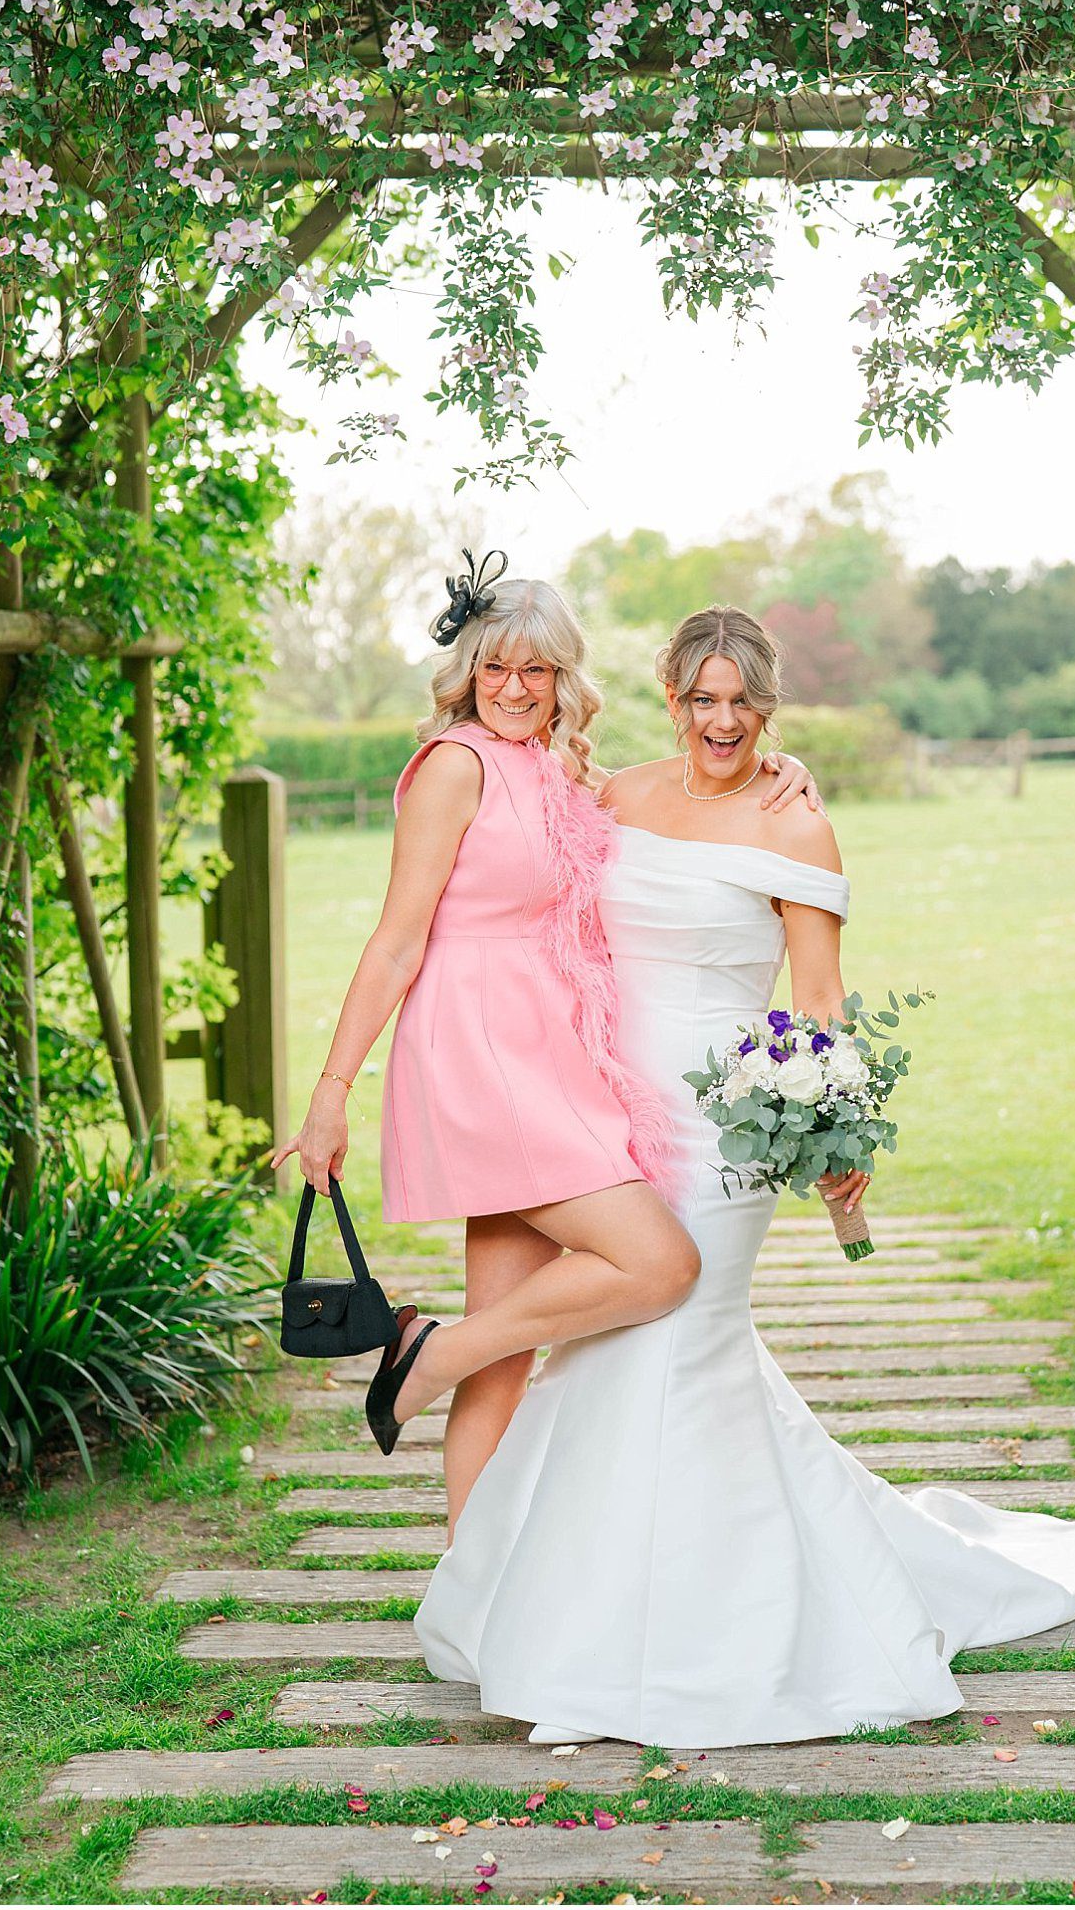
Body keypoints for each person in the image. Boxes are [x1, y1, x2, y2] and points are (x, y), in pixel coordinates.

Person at [413, 604, 1075, 1749]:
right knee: (605, 1353)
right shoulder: (611, 794)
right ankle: (567, 1612)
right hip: (602, 1111)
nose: (723, 719)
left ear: (769, 706)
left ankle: (689, 1637)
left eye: (743, 700)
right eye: (702, 697)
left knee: (682, 1337)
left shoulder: (797, 823)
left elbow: (819, 1000)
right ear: (671, 697)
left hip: (725, 1126)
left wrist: (835, 1131)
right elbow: (517, 833)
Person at [271, 560, 819, 1471]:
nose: (515, 689)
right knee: (660, 1263)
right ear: (468, 673)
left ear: (564, 676)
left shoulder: (555, 768)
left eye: (536, 670)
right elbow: (396, 942)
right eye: (495, 668)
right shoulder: (455, 766)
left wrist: (775, 766)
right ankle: (428, 1353)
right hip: (482, 1056)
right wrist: (332, 1090)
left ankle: (470, 1559)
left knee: (502, 1353)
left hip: (556, 1055)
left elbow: (683, 789)